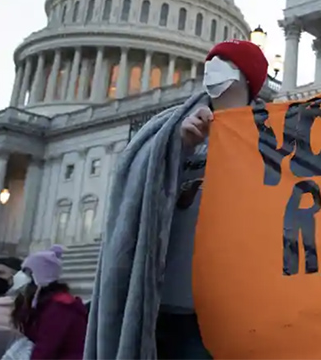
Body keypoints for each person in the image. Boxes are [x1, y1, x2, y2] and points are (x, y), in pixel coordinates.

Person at [86, 39, 269, 359]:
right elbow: (131, 195)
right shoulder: (168, 130)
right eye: (211, 63)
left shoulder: (270, 137)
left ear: (248, 78)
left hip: (224, 308)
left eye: (227, 64)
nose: (214, 71)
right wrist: (175, 146)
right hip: (159, 300)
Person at [16, 245, 88, 359]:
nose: (20, 277)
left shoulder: (60, 308)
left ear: (38, 277)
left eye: (27, 273)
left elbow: (45, 348)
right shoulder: (45, 303)